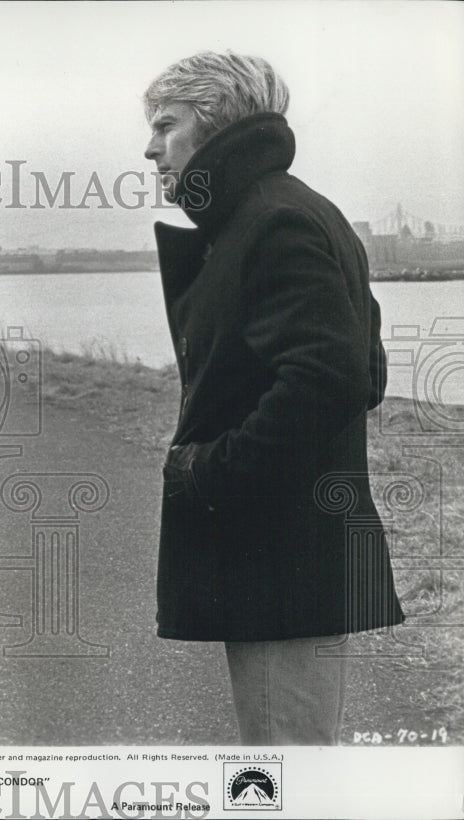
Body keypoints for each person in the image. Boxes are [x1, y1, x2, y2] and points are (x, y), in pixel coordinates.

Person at [142, 52, 404, 744]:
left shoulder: (270, 223)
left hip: (280, 561)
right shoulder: (294, 211)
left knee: (285, 773)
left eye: (165, 125)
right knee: (289, 762)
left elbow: (332, 378)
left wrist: (211, 472)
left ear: (217, 123)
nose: (149, 147)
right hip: (290, 555)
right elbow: (364, 370)